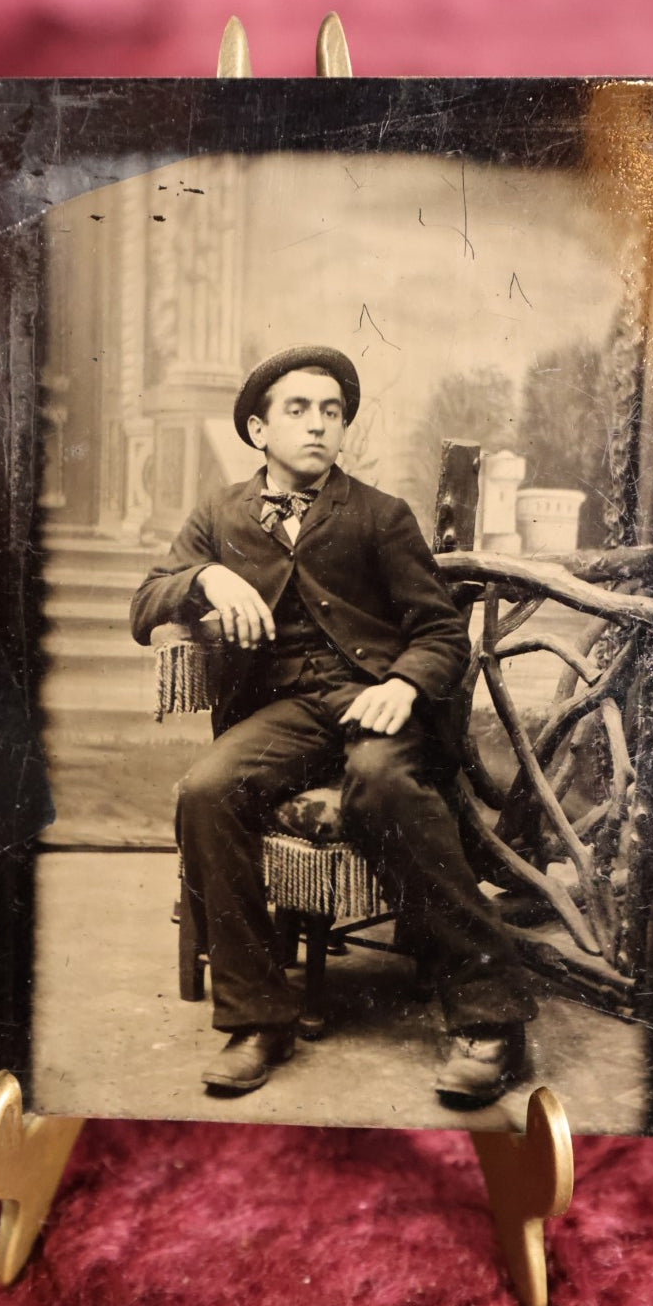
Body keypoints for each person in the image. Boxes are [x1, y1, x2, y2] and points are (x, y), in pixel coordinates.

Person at [130, 345, 537, 1106]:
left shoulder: (380, 515)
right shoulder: (219, 515)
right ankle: (259, 1018)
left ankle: (491, 1018)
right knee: (206, 788)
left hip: (376, 700)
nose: (318, 425)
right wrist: (206, 576)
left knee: (381, 784)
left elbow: (443, 633)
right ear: (258, 429)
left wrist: (405, 683)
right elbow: (145, 604)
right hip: (286, 711)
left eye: (332, 411)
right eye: (298, 409)